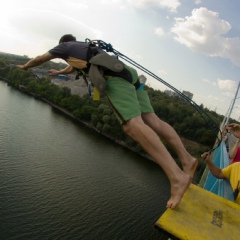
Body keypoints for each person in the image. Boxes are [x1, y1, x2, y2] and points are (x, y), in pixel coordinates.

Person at [16, 34, 197, 209]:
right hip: (129, 74)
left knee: (132, 126)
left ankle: (176, 177)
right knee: (152, 120)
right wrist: (58, 71)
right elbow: (71, 68)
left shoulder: (64, 46)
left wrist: (25, 66)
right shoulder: (86, 48)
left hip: (115, 77)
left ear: (63, 44)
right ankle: (187, 159)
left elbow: (40, 59)